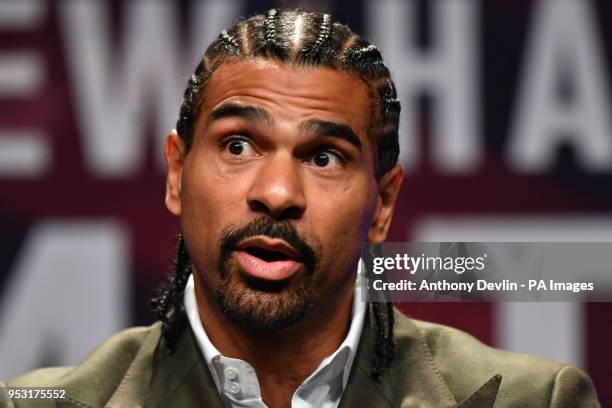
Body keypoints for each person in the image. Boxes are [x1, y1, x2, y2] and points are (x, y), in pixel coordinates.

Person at [3, 9, 600, 408]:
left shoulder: (531, 400)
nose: (278, 192)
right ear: (178, 173)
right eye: (238, 145)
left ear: (384, 202)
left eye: (325, 157)